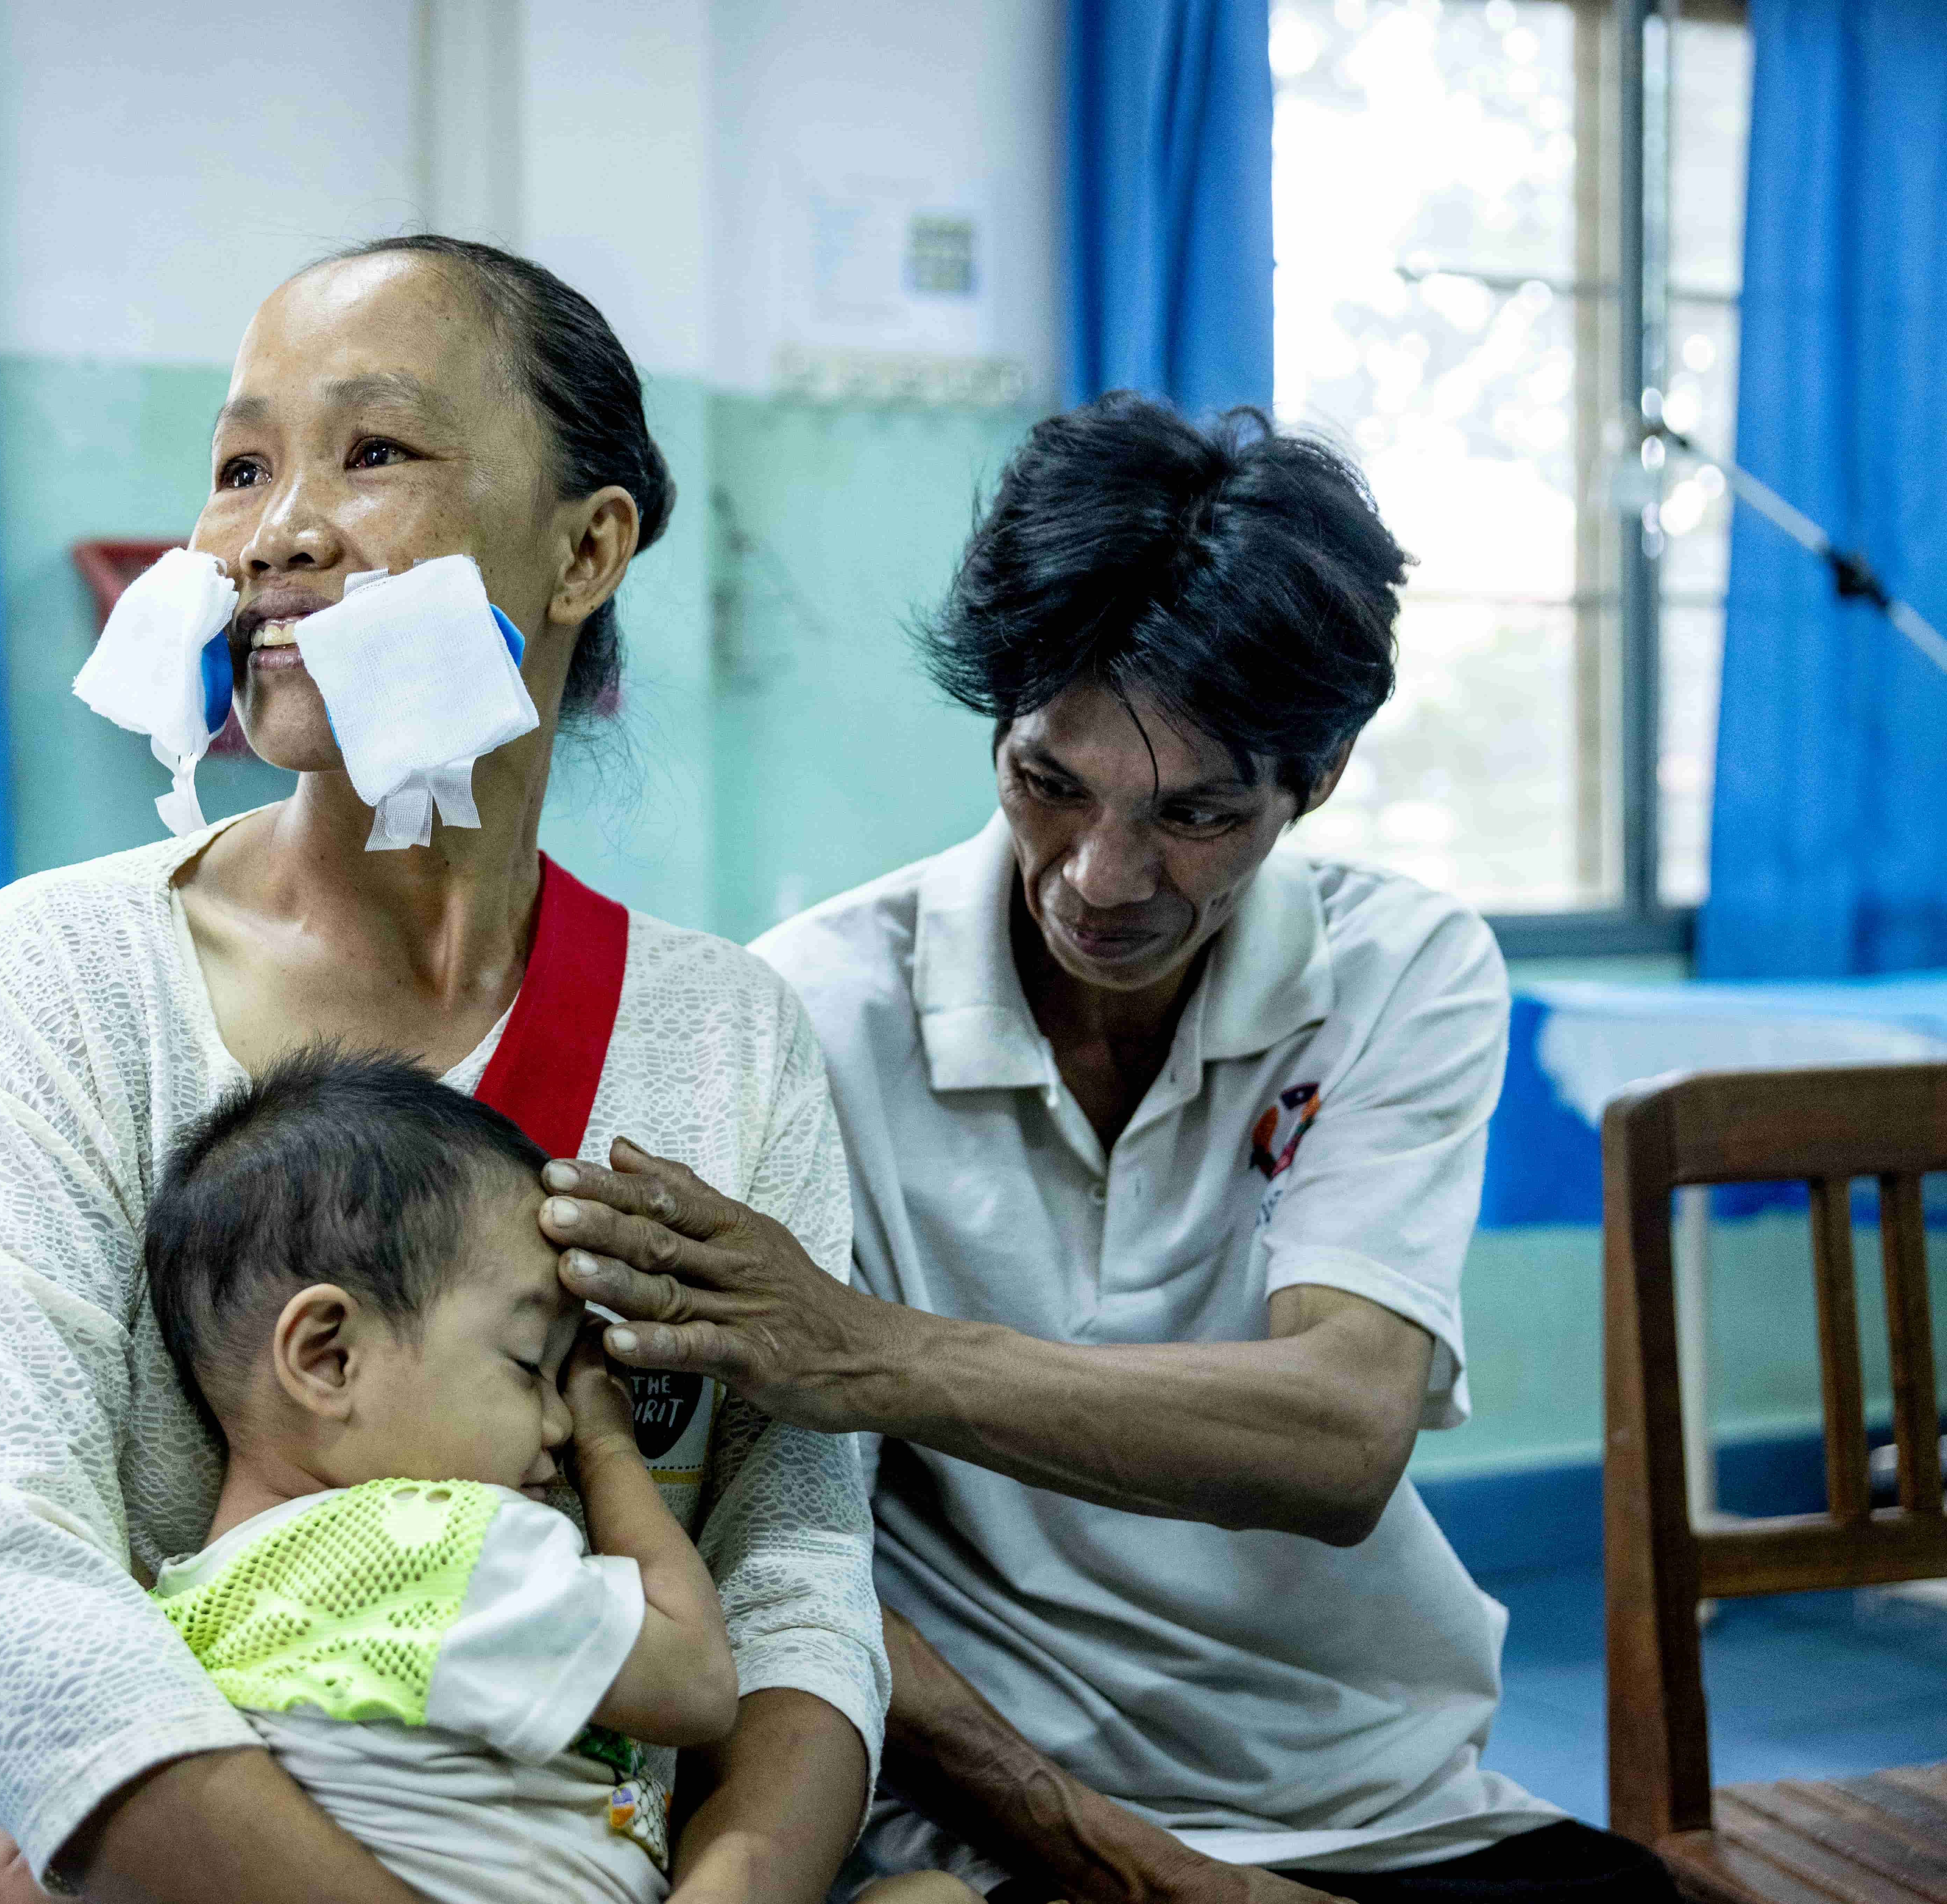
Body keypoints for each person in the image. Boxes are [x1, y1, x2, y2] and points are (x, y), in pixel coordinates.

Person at [529, 397, 1682, 1901]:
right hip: (985, 1815)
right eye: (1046, 783)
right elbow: (787, 1561)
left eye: (1195, 813)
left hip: (1368, 1795)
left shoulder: (1398, 968)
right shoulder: (810, 1012)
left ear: (1315, 780)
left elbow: (1339, 1434)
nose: (1101, 878)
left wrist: (859, 1349)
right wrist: (1119, 1859)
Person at [0, 236, 891, 1904]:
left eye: (374, 453)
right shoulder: (66, 973)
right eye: (241, 468)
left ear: (586, 548)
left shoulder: (724, 1041)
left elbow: (791, 1567)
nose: (273, 535)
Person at [0, 1051, 976, 1904]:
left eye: (564, 1381)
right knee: (928, 1896)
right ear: (327, 1358)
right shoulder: (444, 1545)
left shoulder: (180, 1624)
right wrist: (610, 1445)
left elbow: (14, 1886)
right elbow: (694, 1683)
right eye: (529, 1366)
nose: (551, 1419)